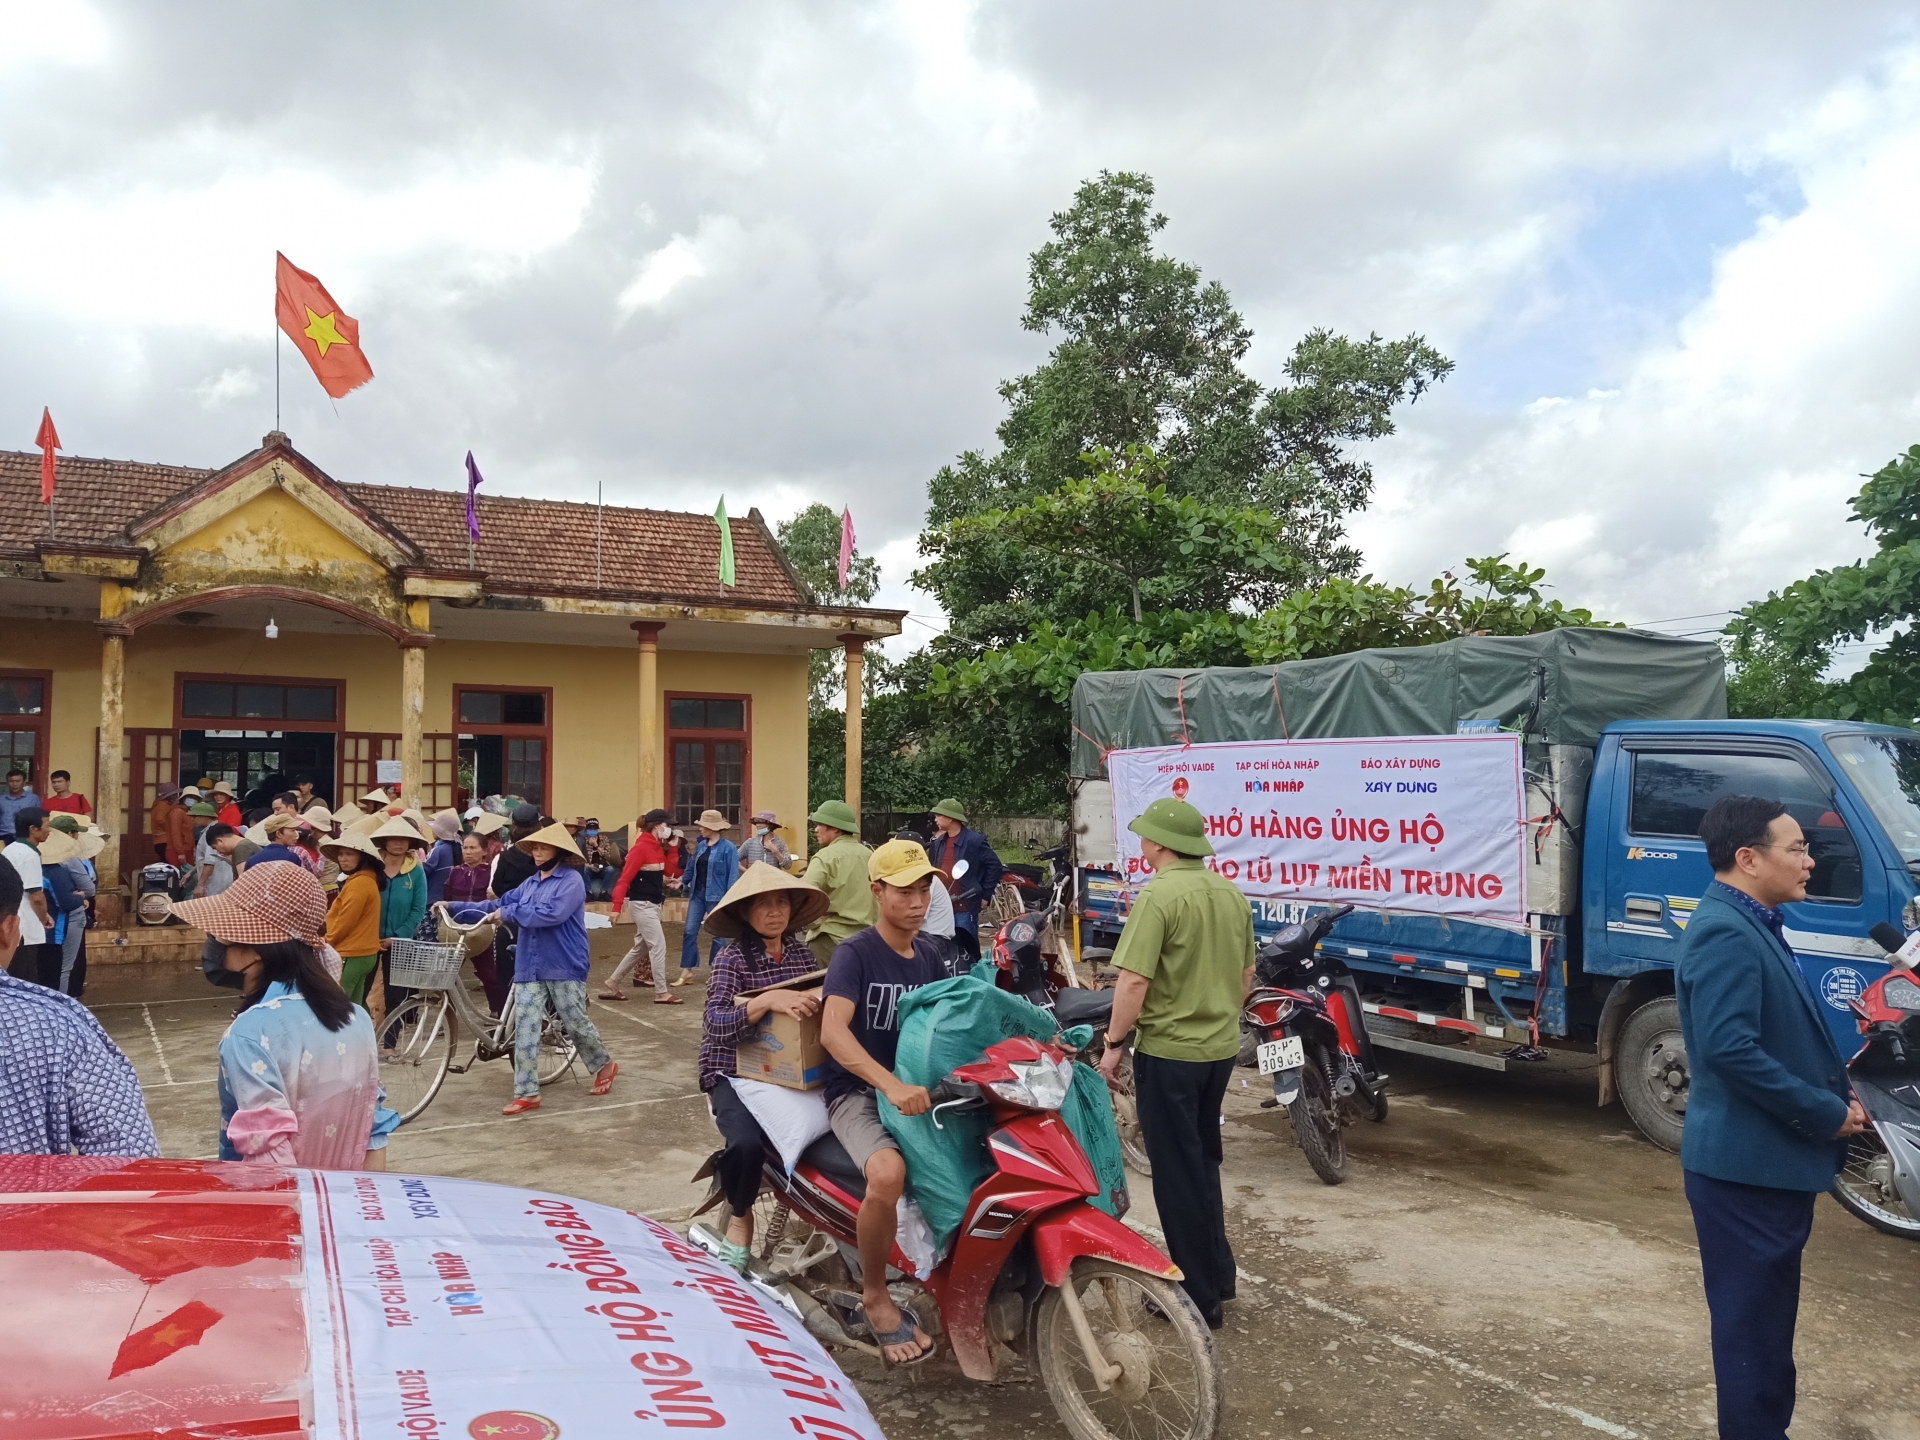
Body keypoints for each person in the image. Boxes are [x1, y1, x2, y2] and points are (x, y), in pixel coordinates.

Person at [1676, 795, 1861, 1440]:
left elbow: (1771, 1036)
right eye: (1798, 848)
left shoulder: (1753, 919)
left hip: (1763, 1170)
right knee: (1751, 1339)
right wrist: (1823, 1113)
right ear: (1749, 859)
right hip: (1743, 1175)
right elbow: (1730, 1049)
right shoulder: (1726, 929)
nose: (1811, 860)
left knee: (1766, 1332)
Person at [1095, 796, 1253, 1331]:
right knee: (1202, 1162)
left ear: (1160, 843)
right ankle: (1220, 1275)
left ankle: (1197, 1297)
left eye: (1145, 835)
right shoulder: (1230, 893)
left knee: (1176, 1174)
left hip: (1170, 1053)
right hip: (1220, 1050)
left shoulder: (1160, 896)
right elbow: (1245, 978)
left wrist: (1114, 1043)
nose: (1141, 842)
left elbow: (1134, 981)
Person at [174, 861, 399, 1169]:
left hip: (282, 1206)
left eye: (221, 934)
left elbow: (271, 1161)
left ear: (256, 946)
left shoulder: (249, 1033)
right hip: (345, 1203)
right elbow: (373, 1131)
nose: (213, 941)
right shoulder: (355, 1017)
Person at [817, 837, 948, 1364]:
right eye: (903, 891)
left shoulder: (932, 954)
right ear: (877, 892)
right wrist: (887, 1083)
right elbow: (833, 1032)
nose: (916, 902)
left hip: (920, 1089)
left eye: (923, 890)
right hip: (858, 1092)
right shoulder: (855, 953)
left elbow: (948, 1022)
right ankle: (876, 1295)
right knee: (888, 1175)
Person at [698, 864, 830, 1270]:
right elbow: (716, 1023)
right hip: (732, 1072)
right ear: (745, 914)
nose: (775, 912)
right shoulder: (731, 960)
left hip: (789, 1071)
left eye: (781, 903)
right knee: (746, 1144)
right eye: (763, 904)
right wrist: (767, 1001)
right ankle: (740, 1216)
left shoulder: (801, 954)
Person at [438, 822, 618, 1115]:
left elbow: (551, 914)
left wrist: (507, 913)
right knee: (525, 1026)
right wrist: (452, 905)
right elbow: (498, 903)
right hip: (529, 963)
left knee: (574, 1021)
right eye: (534, 847)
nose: (537, 852)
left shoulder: (571, 881)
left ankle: (603, 1064)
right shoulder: (531, 883)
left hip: (563, 962)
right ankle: (527, 1092)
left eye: (543, 847)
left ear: (558, 852)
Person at [0, 854, 160, 1156]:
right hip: (27, 1203)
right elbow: (127, 1156)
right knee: (65, 967)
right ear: (10, 929)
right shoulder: (56, 1027)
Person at [603, 808, 681, 1004]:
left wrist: (672, 850)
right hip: (643, 905)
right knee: (658, 946)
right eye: (666, 825)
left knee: (642, 947)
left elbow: (670, 870)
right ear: (657, 826)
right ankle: (661, 992)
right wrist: (616, 907)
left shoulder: (655, 846)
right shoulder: (640, 848)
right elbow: (624, 879)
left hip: (653, 904)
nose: (668, 828)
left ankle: (613, 981)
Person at [801, 800, 877, 968]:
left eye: (820, 824)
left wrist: (814, 922)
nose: (816, 829)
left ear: (835, 828)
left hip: (830, 940)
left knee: (826, 992)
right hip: (869, 941)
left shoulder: (825, 857)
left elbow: (803, 895)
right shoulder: (871, 855)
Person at [926, 800, 1003, 962]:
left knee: (968, 951)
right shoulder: (938, 843)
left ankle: (972, 980)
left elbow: (994, 866)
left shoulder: (974, 841)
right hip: (942, 906)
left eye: (939, 815)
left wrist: (986, 895)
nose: (935, 818)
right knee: (941, 949)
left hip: (965, 906)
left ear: (950, 818)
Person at [372, 815, 430, 1029]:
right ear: (384, 841)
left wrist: (398, 936)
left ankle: (390, 1045)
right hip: (368, 939)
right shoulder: (372, 866)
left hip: (400, 941)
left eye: (403, 839)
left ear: (410, 843)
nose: (398, 844)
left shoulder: (416, 871)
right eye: (393, 838)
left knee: (395, 995)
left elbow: (418, 910)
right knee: (362, 990)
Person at [445, 831, 509, 1015]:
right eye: (465, 848)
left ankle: (496, 1013)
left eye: (473, 848)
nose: (468, 852)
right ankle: (448, 1014)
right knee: (448, 975)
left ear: (484, 851)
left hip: (482, 931)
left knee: (489, 975)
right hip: (456, 931)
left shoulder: (491, 873)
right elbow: (447, 898)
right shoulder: (454, 872)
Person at [674, 809, 740, 986]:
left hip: (717, 896)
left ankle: (716, 970)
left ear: (712, 828)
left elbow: (733, 876)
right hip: (697, 894)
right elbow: (691, 867)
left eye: (703, 826)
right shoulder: (701, 846)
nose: (700, 829)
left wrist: (729, 901)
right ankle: (687, 970)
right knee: (689, 931)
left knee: (718, 935)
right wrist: (681, 881)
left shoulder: (729, 849)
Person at [322, 830, 386, 1005]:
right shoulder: (365, 880)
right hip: (364, 953)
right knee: (356, 1006)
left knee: (337, 1003)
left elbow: (345, 921)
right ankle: (367, 1033)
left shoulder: (359, 883)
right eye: (341, 854)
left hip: (352, 952)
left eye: (349, 854)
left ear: (363, 857)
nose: (343, 858)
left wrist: (327, 942)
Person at [3, 807, 51, 983]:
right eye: (47, 825)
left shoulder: (10, 849)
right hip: (24, 926)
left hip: (9, 922)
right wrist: (44, 917)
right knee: (24, 977)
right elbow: (36, 897)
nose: (49, 830)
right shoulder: (29, 855)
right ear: (33, 829)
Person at [423, 809, 462, 903]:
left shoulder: (438, 850)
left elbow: (425, 870)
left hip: (433, 896)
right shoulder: (458, 848)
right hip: (448, 897)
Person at [0, 768, 41, 841]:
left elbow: (38, 819)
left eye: (17, 781)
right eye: (11, 781)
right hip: (4, 837)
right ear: (7, 782)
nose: (14, 784)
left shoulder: (33, 798)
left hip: (26, 837)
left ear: (24, 782)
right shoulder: (1, 800)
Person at [149, 781, 180, 861]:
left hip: (159, 841)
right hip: (164, 840)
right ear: (170, 796)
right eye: (174, 795)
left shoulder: (160, 805)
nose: (176, 796)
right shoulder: (162, 805)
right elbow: (159, 819)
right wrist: (171, 829)